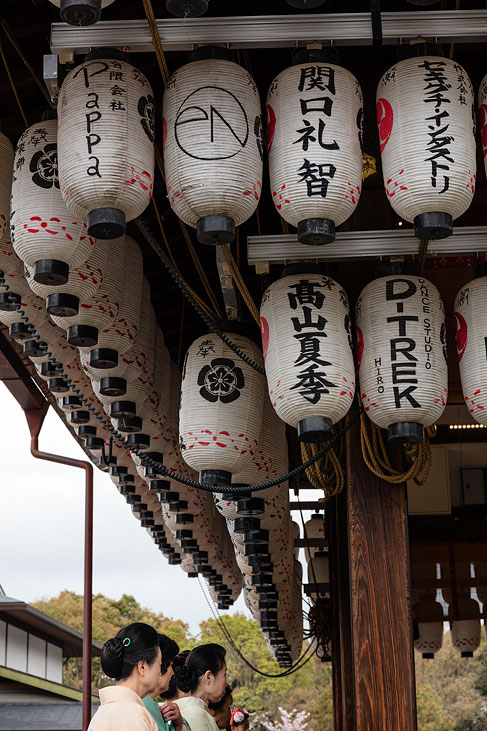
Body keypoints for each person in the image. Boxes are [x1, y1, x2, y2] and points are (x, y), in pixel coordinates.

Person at [88, 622, 162, 731]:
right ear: (142, 667)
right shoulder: (133, 714)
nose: (160, 672)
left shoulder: (103, 712)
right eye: (160, 664)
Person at [173, 644, 227, 731]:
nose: (226, 683)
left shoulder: (192, 710)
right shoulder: (195, 714)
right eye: (224, 674)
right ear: (208, 677)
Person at [143, 635, 188, 731]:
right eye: (171, 665)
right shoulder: (140, 706)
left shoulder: (151, 705)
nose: (172, 673)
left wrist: (178, 725)